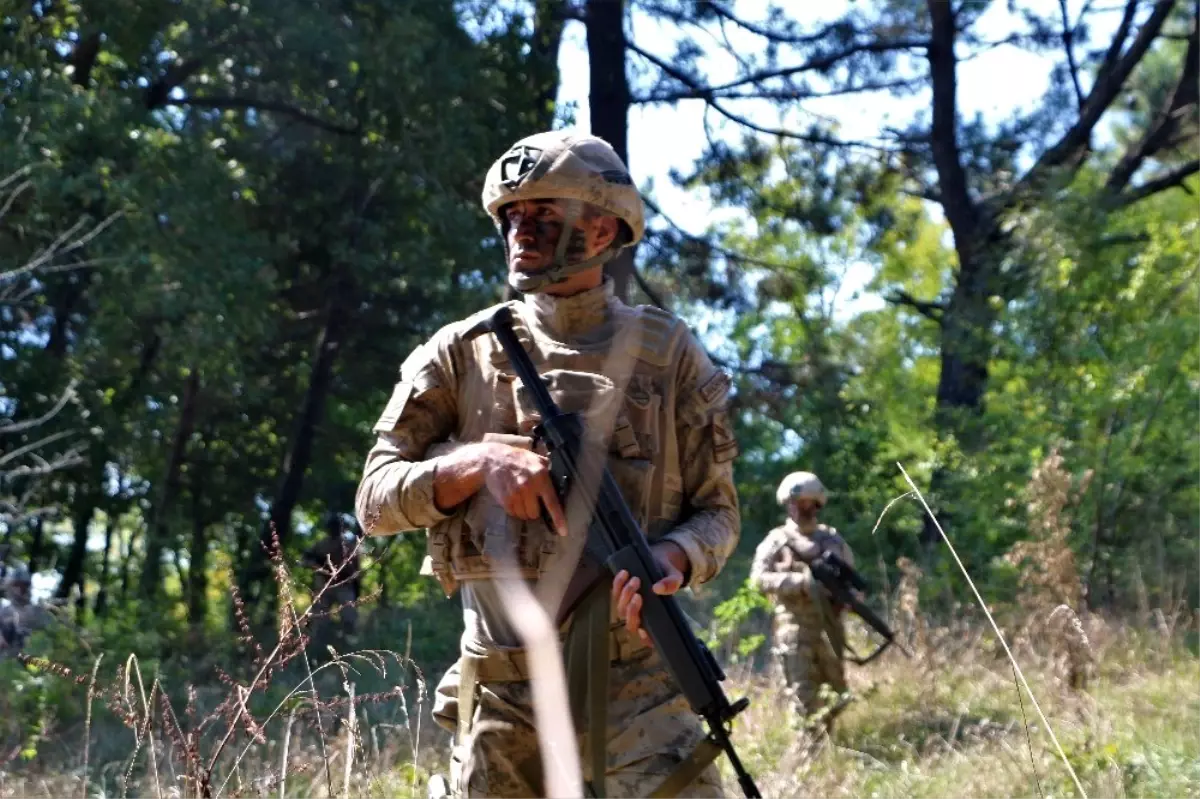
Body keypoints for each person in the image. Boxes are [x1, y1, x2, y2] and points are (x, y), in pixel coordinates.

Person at [355, 130, 740, 798]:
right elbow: (374, 500)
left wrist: (674, 558)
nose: (519, 231)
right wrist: (473, 463)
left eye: (543, 215)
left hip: (639, 692)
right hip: (500, 699)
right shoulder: (459, 353)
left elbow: (719, 512)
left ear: (601, 228)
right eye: (511, 216)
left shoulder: (668, 353)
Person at [748, 471, 855, 738]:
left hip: (830, 629)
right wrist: (799, 583)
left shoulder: (832, 541)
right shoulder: (777, 541)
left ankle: (826, 746)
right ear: (787, 504)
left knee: (836, 694)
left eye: (808, 503)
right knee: (803, 695)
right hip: (794, 629)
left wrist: (849, 598)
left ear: (817, 504)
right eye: (796, 503)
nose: (802, 509)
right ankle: (806, 756)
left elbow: (851, 582)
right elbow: (758, 580)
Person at [300, 512, 362, 645]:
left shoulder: (350, 545)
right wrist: (317, 566)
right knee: (320, 619)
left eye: (338, 526)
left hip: (345, 585)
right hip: (324, 585)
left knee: (349, 617)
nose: (336, 529)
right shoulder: (321, 544)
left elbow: (356, 569)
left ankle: (348, 645)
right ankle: (320, 647)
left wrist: (355, 586)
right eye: (333, 526)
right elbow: (305, 559)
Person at [0, 563, 52, 657]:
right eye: (16, 585)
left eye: (23, 586)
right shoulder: (3, 606)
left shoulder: (36, 611)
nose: (19, 590)